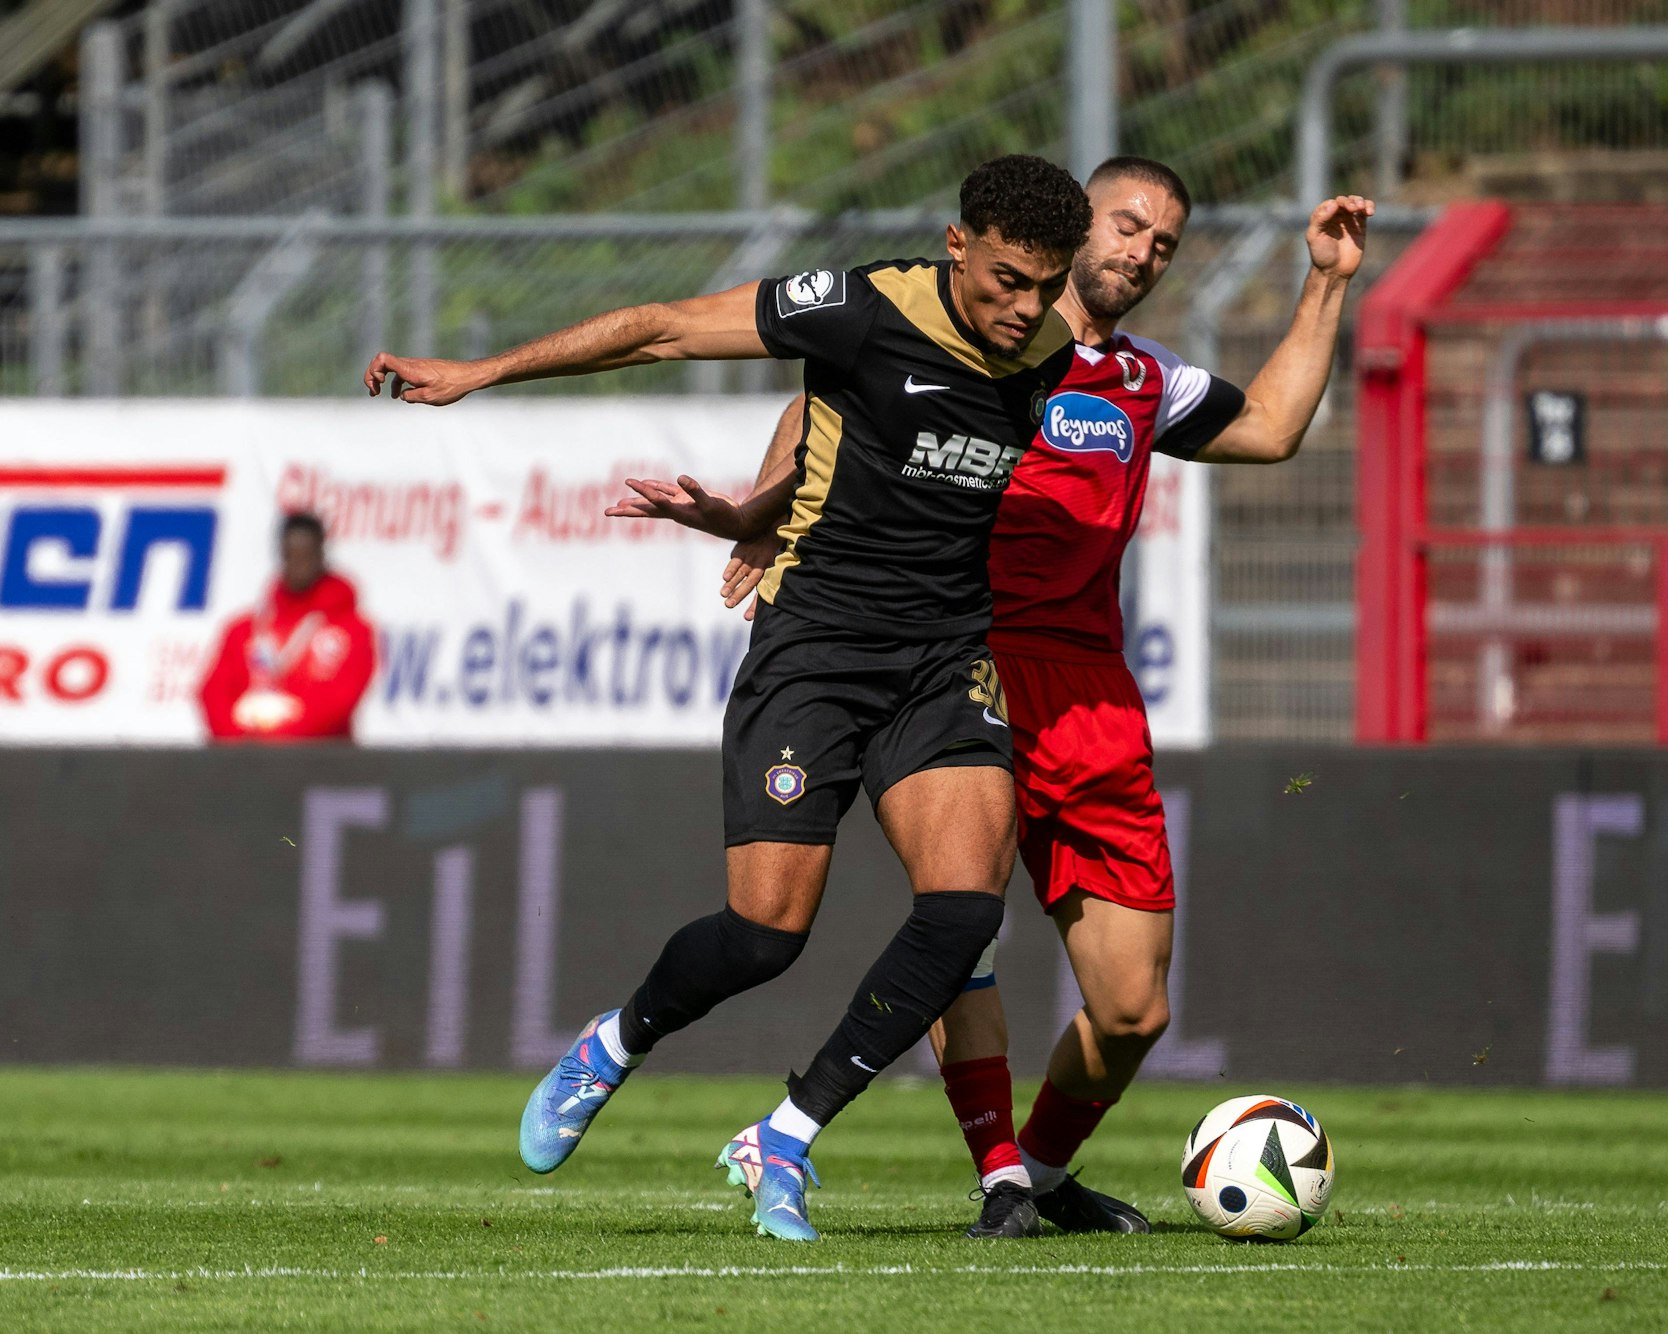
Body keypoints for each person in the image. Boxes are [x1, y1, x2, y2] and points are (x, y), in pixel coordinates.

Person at [611, 158, 1373, 1238]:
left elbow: (1274, 427)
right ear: (1073, 226)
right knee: (959, 919)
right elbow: (828, 398)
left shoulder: (1143, 383)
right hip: (956, 653)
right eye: (1124, 225)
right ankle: (994, 1174)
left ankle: (1043, 1175)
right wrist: (767, 513)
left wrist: (1326, 280)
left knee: (1130, 1007)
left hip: (1091, 691)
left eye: (1161, 243)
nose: (1139, 253)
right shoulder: (972, 336)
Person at [363, 154, 1092, 1242]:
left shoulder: (1048, 354)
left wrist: (756, 506)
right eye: (1004, 279)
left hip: (942, 658)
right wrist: (484, 371)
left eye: (1045, 284)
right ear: (956, 245)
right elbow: (662, 327)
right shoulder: (856, 307)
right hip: (816, 648)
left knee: (961, 911)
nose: (1023, 307)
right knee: (765, 934)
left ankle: (787, 1133)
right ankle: (615, 1040)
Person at [198, 512, 376, 742]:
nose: (298, 564)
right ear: (280, 555)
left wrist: (278, 737)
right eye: (291, 555)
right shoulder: (244, 629)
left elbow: (339, 701)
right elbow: (213, 692)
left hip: (319, 762)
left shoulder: (352, 630)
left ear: (321, 554)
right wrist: (239, 739)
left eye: (306, 555)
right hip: (246, 763)